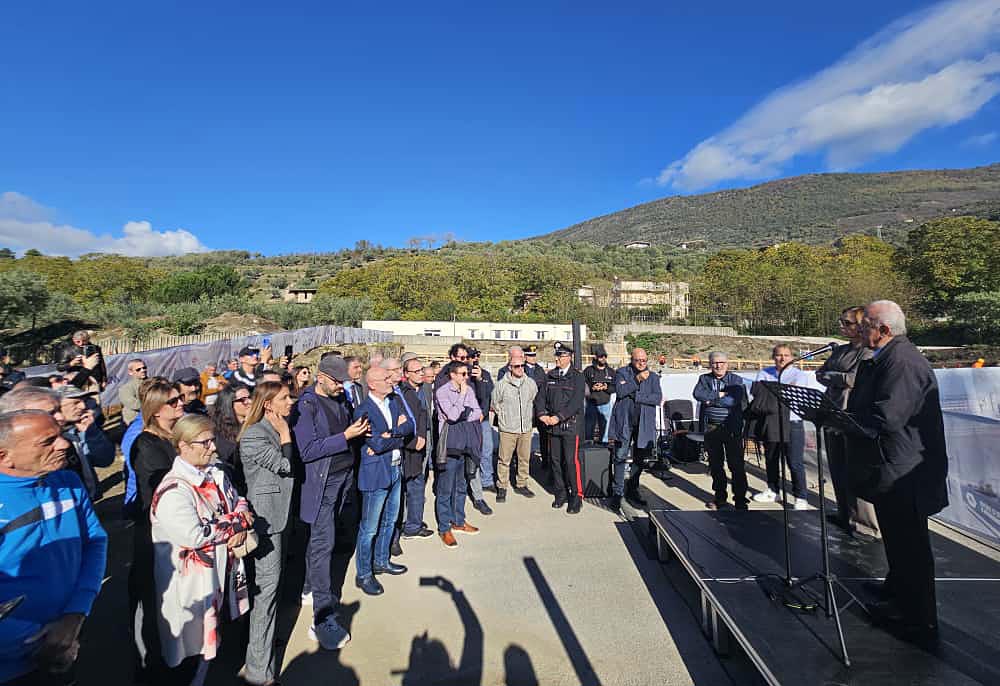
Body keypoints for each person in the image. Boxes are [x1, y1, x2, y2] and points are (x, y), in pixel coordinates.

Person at [845, 300, 948, 642]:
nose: (860, 330)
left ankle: (918, 616)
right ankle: (897, 592)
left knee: (911, 545)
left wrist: (844, 421)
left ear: (884, 329)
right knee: (897, 540)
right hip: (891, 466)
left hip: (906, 470)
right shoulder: (886, 357)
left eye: (866, 325)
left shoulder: (902, 361)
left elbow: (888, 417)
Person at [0, 410, 108, 685]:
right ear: (4, 456)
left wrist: (75, 615)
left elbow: (95, 541)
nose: (64, 444)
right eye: (47, 441)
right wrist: (41, 641)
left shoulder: (68, 482)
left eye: (60, 434)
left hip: (67, 638)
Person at [150, 415, 253, 685]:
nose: (213, 447)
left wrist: (238, 521)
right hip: (193, 588)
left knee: (211, 644)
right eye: (205, 442)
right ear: (183, 446)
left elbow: (239, 500)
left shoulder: (215, 472)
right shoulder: (174, 491)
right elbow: (195, 535)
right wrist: (237, 523)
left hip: (220, 576)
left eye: (212, 440)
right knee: (191, 650)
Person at [292, 356, 367, 649]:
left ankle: (309, 587)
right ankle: (322, 618)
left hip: (342, 478)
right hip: (322, 484)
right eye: (336, 381)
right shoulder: (306, 406)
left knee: (321, 540)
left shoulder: (340, 400)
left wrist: (357, 433)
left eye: (344, 382)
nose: (341, 387)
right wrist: (346, 436)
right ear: (320, 377)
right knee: (324, 544)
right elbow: (308, 450)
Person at [238, 381, 297, 685]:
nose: (291, 401)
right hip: (266, 520)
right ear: (268, 404)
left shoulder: (276, 427)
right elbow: (284, 465)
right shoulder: (254, 435)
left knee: (273, 590)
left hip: (281, 516)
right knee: (266, 594)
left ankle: (263, 651)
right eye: (285, 398)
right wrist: (286, 434)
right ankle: (259, 671)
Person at [129, 379, 185, 683]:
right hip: (154, 535)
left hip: (175, 531)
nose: (181, 403)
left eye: (180, 398)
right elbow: (165, 489)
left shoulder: (173, 437)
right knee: (153, 603)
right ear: (155, 410)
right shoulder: (145, 445)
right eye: (173, 401)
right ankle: (150, 668)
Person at [351, 367, 413, 596]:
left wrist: (392, 434)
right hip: (376, 473)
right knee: (369, 528)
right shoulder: (363, 410)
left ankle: (381, 561)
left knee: (390, 520)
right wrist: (397, 435)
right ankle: (364, 574)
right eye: (385, 378)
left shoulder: (394, 402)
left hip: (395, 468)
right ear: (372, 384)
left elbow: (409, 427)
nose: (390, 381)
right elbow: (375, 444)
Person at [815, 306, 876, 535]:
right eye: (841, 322)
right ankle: (844, 514)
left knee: (855, 470)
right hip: (831, 413)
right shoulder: (840, 350)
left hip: (851, 414)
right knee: (837, 467)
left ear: (861, 325)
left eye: (847, 322)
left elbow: (855, 379)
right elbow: (820, 374)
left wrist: (833, 376)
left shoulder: (868, 351)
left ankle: (864, 524)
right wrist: (835, 377)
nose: (842, 326)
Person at [749, 344, 810, 510]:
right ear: (773, 357)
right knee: (771, 458)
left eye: (786, 355)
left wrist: (773, 393)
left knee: (794, 462)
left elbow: (794, 397)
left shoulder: (799, 375)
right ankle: (773, 490)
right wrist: (779, 392)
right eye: (778, 355)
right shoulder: (764, 373)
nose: (782, 358)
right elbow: (758, 395)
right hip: (770, 421)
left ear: (792, 357)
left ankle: (801, 497)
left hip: (792, 422)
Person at [434, 344, 492, 516]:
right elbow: (451, 414)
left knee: (472, 464)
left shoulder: (473, 373)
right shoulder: (443, 378)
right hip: (453, 433)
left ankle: (476, 499)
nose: (466, 361)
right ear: (452, 358)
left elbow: (482, 400)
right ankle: (446, 518)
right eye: (462, 358)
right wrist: (465, 405)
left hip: (472, 428)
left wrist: (480, 380)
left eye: (468, 357)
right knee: (449, 477)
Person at [607, 348, 663, 512]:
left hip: (643, 424)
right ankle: (617, 492)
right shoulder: (622, 373)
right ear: (631, 360)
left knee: (639, 459)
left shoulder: (653, 377)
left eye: (644, 360)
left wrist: (637, 396)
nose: (641, 363)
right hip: (624, 422)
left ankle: (633, 488)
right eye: (638, 360)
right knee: (620, 457)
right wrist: (636, 380)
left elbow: (657, 398)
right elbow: (620, 392)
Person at [434, 361, 483, 548]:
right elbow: (452, 416)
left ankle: (458, 520)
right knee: (445, 488)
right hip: (450, 444)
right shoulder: (442, 392)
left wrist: (462, 411)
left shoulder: (469, 389)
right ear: (453, 375)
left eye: (467, 373)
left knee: (461, 485)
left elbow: (477, 413)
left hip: (466, 442)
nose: (466, 377)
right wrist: (462, 398)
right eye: (462, 374)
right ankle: (444, 527)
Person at [535, 342, 587, 514]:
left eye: (561, 356)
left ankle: (576, 496)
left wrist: (559, 417)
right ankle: (561, 493)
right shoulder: (550, 376)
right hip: (552, 426)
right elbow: (541, 398)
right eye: (556, 355)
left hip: (570, 425)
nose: (557, 359)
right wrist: (542, 414)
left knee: (571, 462)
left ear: (569, 357)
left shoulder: (577, 377)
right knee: (555, 461)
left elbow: (576, 402)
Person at [693, 352, 748, 510]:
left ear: (727, 363)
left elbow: (732, 400)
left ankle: (740, 500)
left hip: (731, 428)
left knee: (736, 465)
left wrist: (710, 400)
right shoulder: (704, 379)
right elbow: (697, 394)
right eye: (715, 363)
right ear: (710, 364)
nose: (718, 365)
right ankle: (720, 497)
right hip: (711, 428)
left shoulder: (735, 380)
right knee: (715, 465)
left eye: (721, 362)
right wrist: (719, 394)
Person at [491, 347, 538, 502]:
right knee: (504, 459)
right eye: (517, 366)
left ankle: (521, 483)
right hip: (508, 429)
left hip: (525, 428)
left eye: (522, 365)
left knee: (524, 458)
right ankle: (502, 486)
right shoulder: (501, 385)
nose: (520, 369)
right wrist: (504, 417)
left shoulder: (530, 383)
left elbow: (533, 399)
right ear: (510, 367)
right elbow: (495, 403)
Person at [396, 356, 434, 540]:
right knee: (408, 486)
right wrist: (415, 440)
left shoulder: (425, 389)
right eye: (416, 371)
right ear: (406, 374)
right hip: (408, 446)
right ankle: (405, 525)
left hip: (424, 440)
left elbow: (425, 414)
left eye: (421, 370)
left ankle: (414, 524)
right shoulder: (402, 393)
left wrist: (425, 437)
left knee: (418, 484)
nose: (421, 374)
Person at [58, 385, 115, 501]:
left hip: (88, 499)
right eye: (75, 403)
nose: (83, 406)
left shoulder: (78, 430)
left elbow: (105, 461)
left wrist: (91, 432)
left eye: (84, 401)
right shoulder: (52, 439)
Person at [212, 383, 252, 494]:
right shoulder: (218, 431)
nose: (249, 402)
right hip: (235, 486)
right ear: (229, 404)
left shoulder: (256, 424)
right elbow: (230, 457)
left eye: (249, 397)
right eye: (243, 400)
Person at [467, 348, 496, 496]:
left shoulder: (485, 374)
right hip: (467, 419)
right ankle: (469, 481)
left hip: (482, 419)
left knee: (487, 449)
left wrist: (480, 379)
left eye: (477, 356)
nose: (475, 359)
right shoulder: (462, 374)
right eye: (472, 356)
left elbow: (488, 396)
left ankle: (487, 481)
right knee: (469, 452)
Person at [583, 344, 615, 444]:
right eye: (601, 356)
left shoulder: (611, 371)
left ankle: (604, 444)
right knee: (589, 425)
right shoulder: (588, 370)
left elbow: (615, 387)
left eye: (605, 356)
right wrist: (592, 388)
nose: (603, 358)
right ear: (596, 357)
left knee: (605, 427)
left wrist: (606, 387)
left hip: (605, 403)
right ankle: (589, 443)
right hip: (591, 403)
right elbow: (583, 384)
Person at [119, 358, 148, 426]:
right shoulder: (126, 388)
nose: (143, 370)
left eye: (144, 368)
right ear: (130, 372)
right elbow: (134, 404)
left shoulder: (152, 382)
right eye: (138, 369)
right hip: (135, 420)